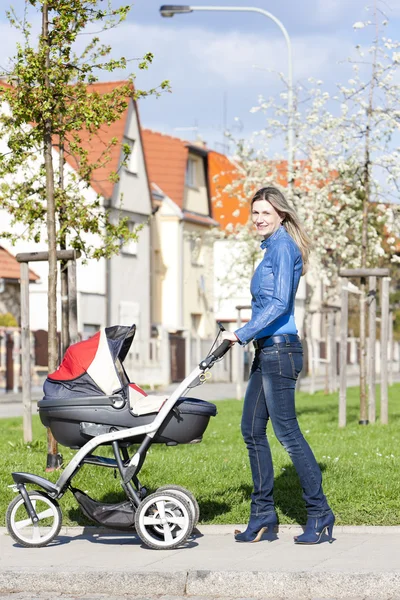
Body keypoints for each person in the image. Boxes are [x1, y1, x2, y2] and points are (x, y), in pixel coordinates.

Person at [221, 186, 334, 545]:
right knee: (252, 431)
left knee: (287, 433)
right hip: (267, 349)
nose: (258, 219)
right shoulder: (272, 247)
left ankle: (319, 512)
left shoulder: (283, 247)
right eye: (255, 213)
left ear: (281, 214)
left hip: (280, 352)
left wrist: (240, 333)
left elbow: (280, 303)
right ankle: (263, 516)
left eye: (265, 212)